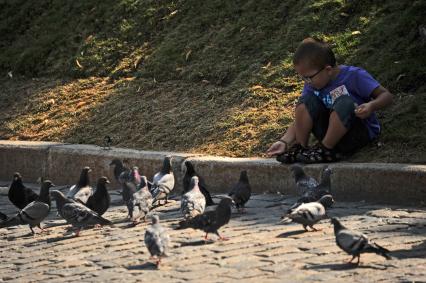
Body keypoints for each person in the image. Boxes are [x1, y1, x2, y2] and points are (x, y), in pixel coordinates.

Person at [266, 38, 393, 163]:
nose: (306, 82)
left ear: (328, 70)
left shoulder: (354, 76)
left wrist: (371, 106)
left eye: (309, 78)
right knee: (306, 101)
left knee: (344, 102)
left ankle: (325, 149)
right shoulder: (313, 85)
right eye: (303, 78)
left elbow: (386, 95)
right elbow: (303, 116)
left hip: (357, 133)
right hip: (329, 134)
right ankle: (300, 148)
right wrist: (284, 141)